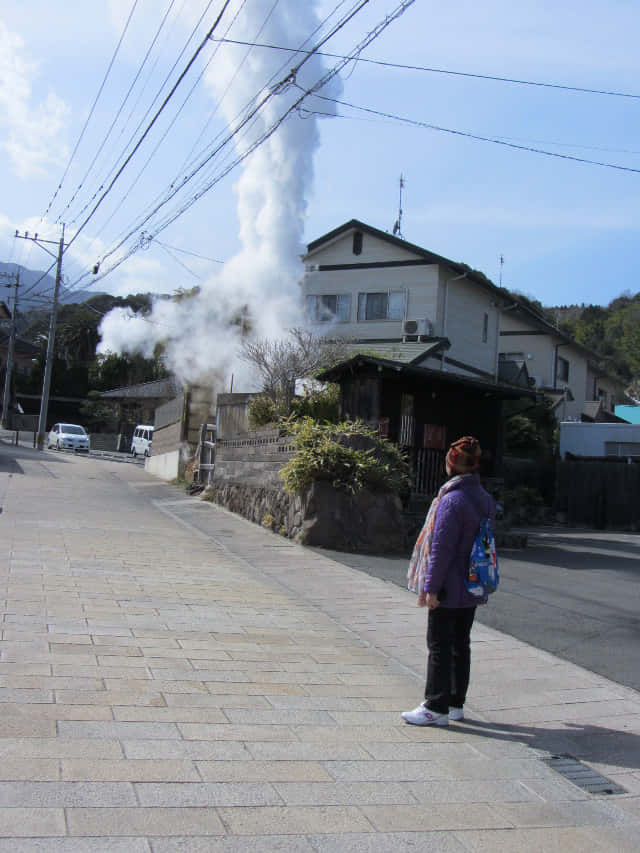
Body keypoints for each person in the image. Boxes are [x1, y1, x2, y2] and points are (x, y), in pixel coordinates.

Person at [402, 436, 496, 726]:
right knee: (460, 644)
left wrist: (431, 588)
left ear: (452, 463)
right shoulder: (484, 498)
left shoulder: (452, 500)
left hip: (448, 583)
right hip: (472, 582)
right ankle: (455, 703)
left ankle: (435, 706)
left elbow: (441, 549)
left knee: (439, 644)